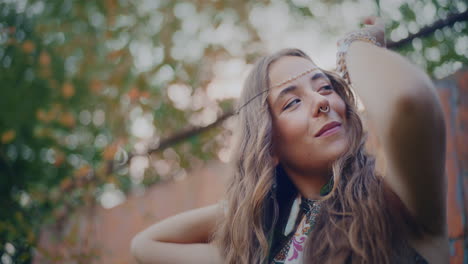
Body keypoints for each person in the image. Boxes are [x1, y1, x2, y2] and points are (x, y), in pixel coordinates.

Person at [130, 17, 448, 264]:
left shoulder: (396, 198)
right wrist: (256, 205)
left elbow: (407, 101)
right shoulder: (263, 254)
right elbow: (145, 246)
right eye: (292, 102)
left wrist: (355, 44)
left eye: (325, 87)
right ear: (269, 146)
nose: (322, 102)